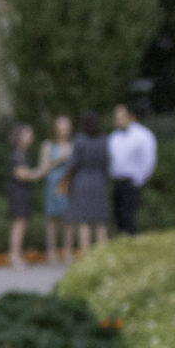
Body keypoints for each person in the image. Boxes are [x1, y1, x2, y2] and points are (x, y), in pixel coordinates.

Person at [107, 101, 157, 236]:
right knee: (118, 217)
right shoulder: (114, 137)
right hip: (117, 181)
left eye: (120, 117)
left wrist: (139, 180)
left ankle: (131, 242)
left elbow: (148, 161)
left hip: (131, 182)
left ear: (130, 116)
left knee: (129, 217)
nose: (117, 120)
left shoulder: (143, 135)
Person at [66, 109, 111, 255]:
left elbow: (73, 164)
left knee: (84, 222)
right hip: (99, 181)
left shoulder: (79, 140)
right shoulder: (103, 140)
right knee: (100, 222)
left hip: (81, 182)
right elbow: (106, 163)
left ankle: (85, 255)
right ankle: (102, 255)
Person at [40, 114, 74, 265]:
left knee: (68, 219)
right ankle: (51, 252)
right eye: (61, 128)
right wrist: (59, 159)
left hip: (67, 184)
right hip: (53, 184)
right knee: (51, 219)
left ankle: (67, 251)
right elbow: (44, 168)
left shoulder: (73, 146)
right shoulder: (48, 145)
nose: (63, 131)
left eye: (66, 128)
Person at [4, 123, 39, 269]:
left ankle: (16, 254)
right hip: (18, 193)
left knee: (21, 224)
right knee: (19, 224)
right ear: (19, 137)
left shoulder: (23, 154)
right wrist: (38, 172)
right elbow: (21, 174)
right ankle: (14, 256)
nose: (30, 138)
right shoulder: (17, 155)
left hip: (23, 192)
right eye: (27, 135)